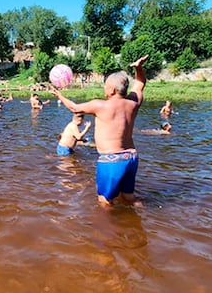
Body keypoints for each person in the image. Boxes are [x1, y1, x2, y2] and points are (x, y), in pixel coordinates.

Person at [51, 55, 150, 206]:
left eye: (105, 85)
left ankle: (107, 229)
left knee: (104, 202)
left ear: (111, 89)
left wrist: (59, 95)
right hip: (132, 157)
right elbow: (140, 82)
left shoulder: (101, 105)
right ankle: (140, 224)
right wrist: (138, 68)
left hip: (112, 160)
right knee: (129, 198)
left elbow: (74, 108)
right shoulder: (133, 102)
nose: (104, 88)